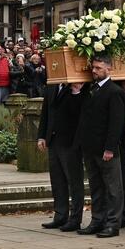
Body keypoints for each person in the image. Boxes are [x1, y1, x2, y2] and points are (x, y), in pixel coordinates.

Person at [76, 56, 125, 238]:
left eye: (98, 68)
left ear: (108, 69)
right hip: (90, 147)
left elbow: (116, 122)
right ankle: (97, 220)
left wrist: (110, 148)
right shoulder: (90, 89)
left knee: (113, 188)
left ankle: (113, 223)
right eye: (93, 68)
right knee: (96, 187)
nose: (94, 71)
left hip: (106, 149)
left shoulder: (114, 91)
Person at [37, 81, 86, 231]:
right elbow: (46, 111)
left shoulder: (78, 86)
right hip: (53, 139)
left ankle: (75, 218)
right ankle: (60, 215)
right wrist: (42, 136)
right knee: (57, 181)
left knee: (74, 181)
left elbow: (80, 112)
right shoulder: (52, 86)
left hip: (70, 142)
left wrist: (77, 92)